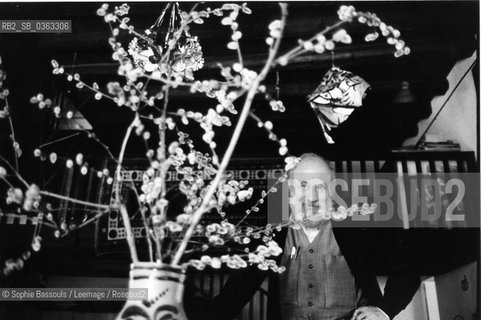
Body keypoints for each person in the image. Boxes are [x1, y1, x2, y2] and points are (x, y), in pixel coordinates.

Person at [204, 153, 420, 320]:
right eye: (304, 186)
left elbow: (409, 268)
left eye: (320, 187)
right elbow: (235, 293)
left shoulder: (358, 228)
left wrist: (384, 311)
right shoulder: (270, 235)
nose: (312, 197)